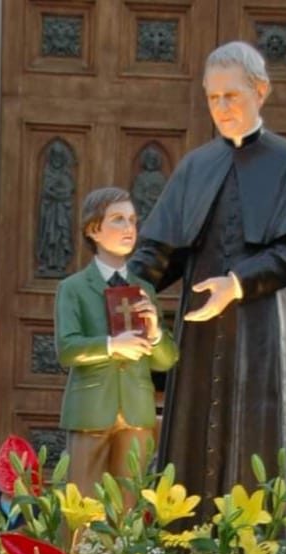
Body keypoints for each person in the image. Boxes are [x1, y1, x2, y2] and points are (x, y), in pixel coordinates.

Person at [130, 41, 286, 503]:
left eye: (232, 96)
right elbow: (158, 251)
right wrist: (120, 288)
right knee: (189, 445)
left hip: (262, 331)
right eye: (213, 98)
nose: (221, 107)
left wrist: (240, 283)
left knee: (256, 443)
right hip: (200, 335)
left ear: (260, 90)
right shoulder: (195, 166)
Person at [55, 187, 178, 500]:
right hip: (91, 410)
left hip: (136, 410)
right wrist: (112, 346)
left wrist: (155, 335)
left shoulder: (145, 290)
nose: (129, 229)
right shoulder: (74, 288)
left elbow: (166, 361)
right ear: (93, 229)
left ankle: (124, 553)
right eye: (118, 220)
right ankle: (79, 553)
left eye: (133, 221)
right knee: (82, 504)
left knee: (128, 506)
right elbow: (67, 349)